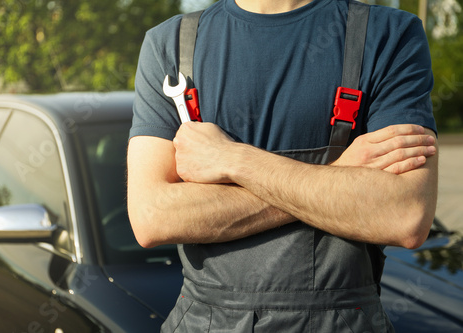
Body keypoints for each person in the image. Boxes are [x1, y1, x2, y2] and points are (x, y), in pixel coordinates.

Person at [127, 0, 438, 331]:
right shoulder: (170, 45)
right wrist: (338, 176)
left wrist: (235, 160)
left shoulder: (389, 35)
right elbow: (151, 218)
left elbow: (406, 215)